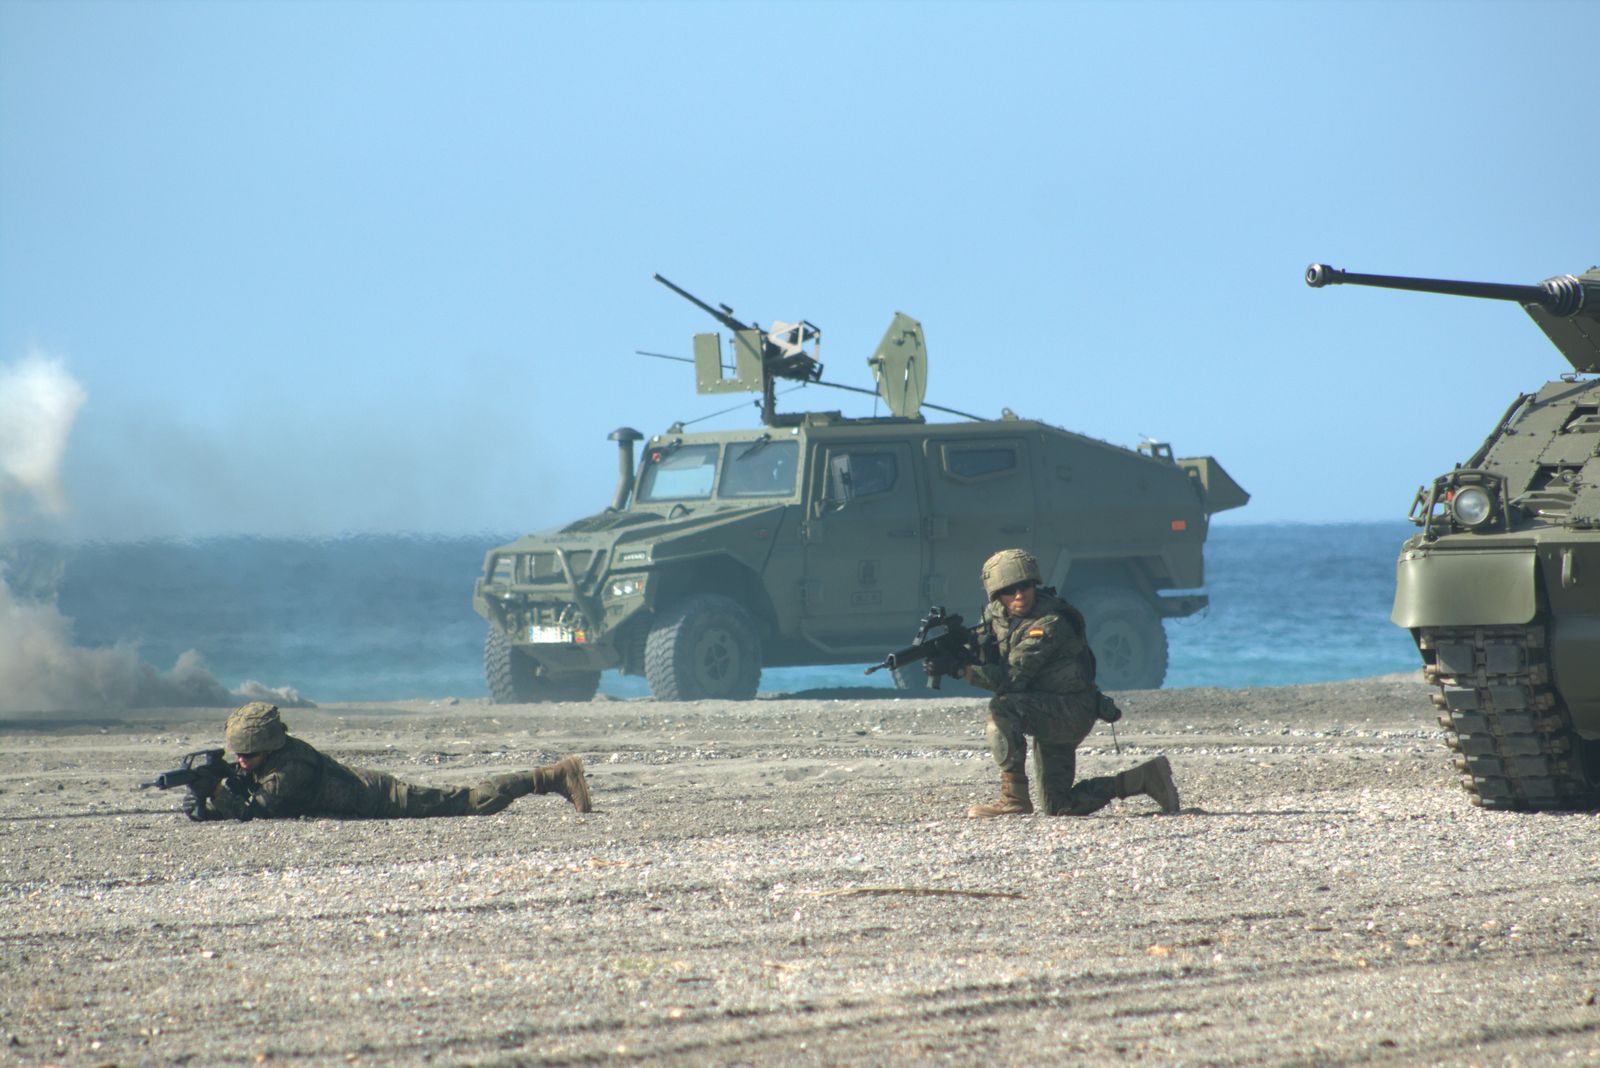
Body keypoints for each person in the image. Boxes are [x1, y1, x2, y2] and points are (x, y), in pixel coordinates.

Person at [959, 549, 1181, 818]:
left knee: (1002, 708)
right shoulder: (996, 617)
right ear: (997, 595)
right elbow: (986, 649)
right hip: (1046, 706)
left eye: (1025, 586)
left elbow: (1012, 678)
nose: (1019, 595)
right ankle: (1143, 779)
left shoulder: (1050, 623)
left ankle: (1013, 798)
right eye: (1009, 590)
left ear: (1035, 584)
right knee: (1060, 807)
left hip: (1070, 711)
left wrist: (965, 672)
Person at [182, 702, 592, 821]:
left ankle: (551, 776)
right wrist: (205, 798)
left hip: (382, 797)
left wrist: (216, 791)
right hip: (368, 795)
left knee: (470, 801)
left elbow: (256, 811)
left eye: (248, 756)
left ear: (269, 748)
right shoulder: (272, 760)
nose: (241, 762)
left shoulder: (292, 767)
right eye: (238, 756)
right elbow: (245, 798)